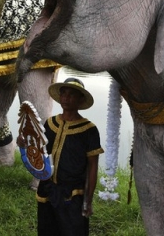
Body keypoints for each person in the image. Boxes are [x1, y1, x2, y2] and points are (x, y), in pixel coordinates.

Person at [36, 77, 103, 236]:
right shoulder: (50, 123)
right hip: (48, 189)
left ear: (80, 100)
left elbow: (93, 166)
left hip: (73, 195)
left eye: (72, 94)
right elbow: (41, 153)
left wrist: (88, 199)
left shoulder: (89, 130)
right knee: (47, 229)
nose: (66, 98)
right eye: (63, 93)